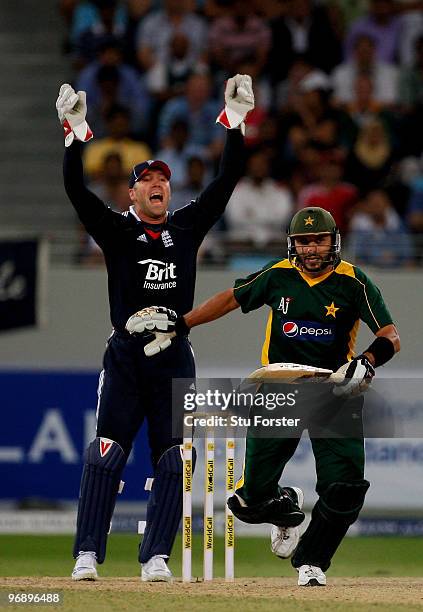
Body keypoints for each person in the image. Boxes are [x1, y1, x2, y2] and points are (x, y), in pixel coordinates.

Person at [55, 73, 254, 582]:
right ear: (132, 192)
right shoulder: (118, 230)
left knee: (172, 460)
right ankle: (86, 553)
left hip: (173, 356)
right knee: (106, 452)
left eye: (163, 178)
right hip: (125, 354)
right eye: (147, 179)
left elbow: (226, 181)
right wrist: (75, 137)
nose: (159, 183)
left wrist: (235, 123)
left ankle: (157, 556)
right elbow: (76, 190)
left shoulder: (185, 226)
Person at [134, 206, 400, 586]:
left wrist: (367, 362)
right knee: (248, 500)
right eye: (303, 242)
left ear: (333, 241)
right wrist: (181, 324)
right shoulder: (278, 275)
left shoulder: (353, 282)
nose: (310, 249)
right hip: (279, 390)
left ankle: (312, 562)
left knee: (344, 489)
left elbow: (391, 335)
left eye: (318, 240)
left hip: (334, 392)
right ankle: (285, 509)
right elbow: (231, 298)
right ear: (292, 244)